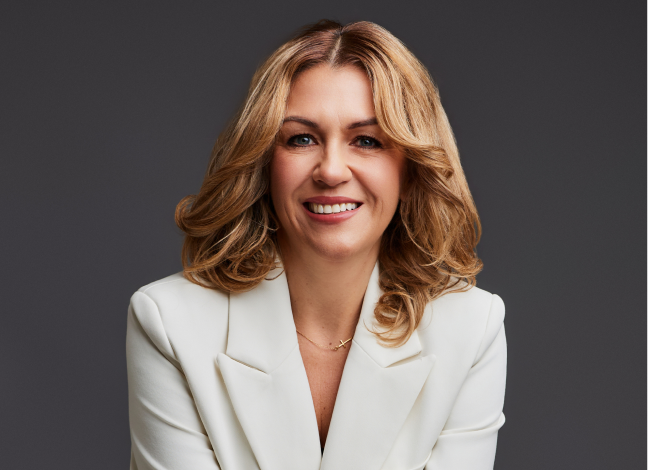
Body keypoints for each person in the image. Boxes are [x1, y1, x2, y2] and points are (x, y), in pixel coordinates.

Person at [126, 20, 506, 470]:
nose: (331, 171)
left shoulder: (471, 327)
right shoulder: (168, 322)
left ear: (411, 172)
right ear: (264, 163)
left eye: (367, 140)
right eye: (301, 139)